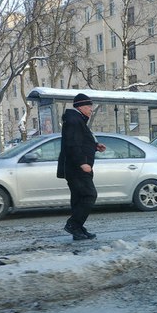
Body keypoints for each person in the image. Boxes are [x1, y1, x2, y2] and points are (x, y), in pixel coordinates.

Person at [57, 93, 106, 240]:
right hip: (77, 168)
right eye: (88, 106)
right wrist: (82, 163)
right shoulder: (74, 120)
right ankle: (73, 224)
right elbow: (72, 144)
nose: (91, 110)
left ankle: (77, 229)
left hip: (75, 168)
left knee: (78, 199)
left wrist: (95, 146)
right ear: (80, 107)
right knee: (90, 195)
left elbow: (80, 141)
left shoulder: (77, 120)